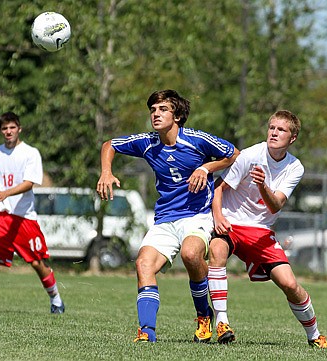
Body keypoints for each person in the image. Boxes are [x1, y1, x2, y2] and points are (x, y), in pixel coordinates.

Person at [96, 89, 239, 343]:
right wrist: (106, 172)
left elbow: (234, 154)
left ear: (178, 115)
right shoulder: (148, 142)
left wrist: (205, 167)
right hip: (165, 218)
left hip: (197, 216)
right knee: (143, 264)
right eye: (153, 110)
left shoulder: (196, 140)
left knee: (191, 254)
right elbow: (110, 145)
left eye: (163, 109)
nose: (156, 114)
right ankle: (147, 333)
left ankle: (203, 315)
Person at [208, 110, 327, 348]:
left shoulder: (295, 167)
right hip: (231, 223)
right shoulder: (249, 155)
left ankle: (314, 335)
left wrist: (262, 184)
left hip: (261, 231)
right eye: (272, 127)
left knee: (289, 284)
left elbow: (275, 206)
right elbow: (219, 188)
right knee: (217, 251)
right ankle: (222, 322)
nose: (274, 132)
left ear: (292, 138)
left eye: (281, 129)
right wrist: (218, 216)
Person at [0, 112, 65, 314]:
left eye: (12, 127)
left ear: (19, 128)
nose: (8, 132)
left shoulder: (30, 153)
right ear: (0, 131)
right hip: (0, 215)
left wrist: (5, 193)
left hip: (23, 216)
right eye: (4, 128)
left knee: (37, 262)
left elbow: (29, 183)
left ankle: (56, 300)